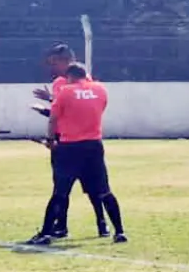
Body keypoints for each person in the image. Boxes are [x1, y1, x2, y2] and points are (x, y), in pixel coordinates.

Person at [27, 64, 126, 245]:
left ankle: (46, 233)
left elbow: (54, 119)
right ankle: (119, 231)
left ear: (70, 77)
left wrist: (50, 140)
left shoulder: (65, 92)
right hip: (94, 146)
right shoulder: (101, 90)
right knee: (104, 191)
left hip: (70, 147)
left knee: (60, 193)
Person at [33, 43, 109, 237]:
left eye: (55, 63)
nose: (52, 68)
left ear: (66, 61)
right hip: (85, 140)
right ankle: (95, 224)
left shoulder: (64, 83)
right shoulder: (88, 82)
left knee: (63, 186)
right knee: (90, 184)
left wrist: (48, 107)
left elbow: (61, 112)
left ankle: (62, 226)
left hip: (68, 141)